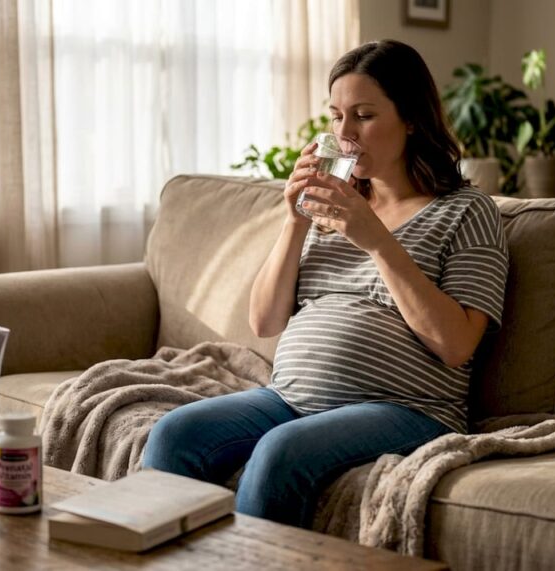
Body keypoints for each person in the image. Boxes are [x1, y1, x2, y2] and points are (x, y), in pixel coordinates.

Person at [142, 39, 508, 529]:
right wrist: (295, 220)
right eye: (336, 117)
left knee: (280, 453)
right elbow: (264, 320)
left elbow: (456, 344)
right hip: (289, 398)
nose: (345, 133)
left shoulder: (466, 212)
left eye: (364, 116)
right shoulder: (334, 206)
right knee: (174, 434)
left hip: (407, 409)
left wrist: (377, 241)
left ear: (411, 119)